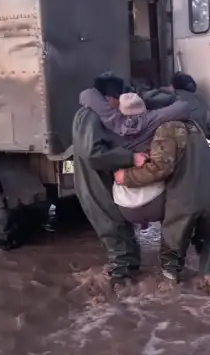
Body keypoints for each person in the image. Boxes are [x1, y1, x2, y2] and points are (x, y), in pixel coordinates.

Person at [73, 73, 188, 281]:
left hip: (102, 177)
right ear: (110, 98)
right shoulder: (89, 116)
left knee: (120, 229)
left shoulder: (96, 112)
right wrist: (131, 158)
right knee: (113, 229)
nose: (121, 107)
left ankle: (128, 282)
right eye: (119, 100)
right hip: (95, 182)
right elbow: (92, 154)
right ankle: (120, 286)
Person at [114, 118, 210, 282]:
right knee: (209, 240)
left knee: (172, 249)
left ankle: (171, 294)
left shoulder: (168, 127)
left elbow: (160, 168)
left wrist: (126, 176)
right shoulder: (195, 126)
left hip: (186, 198)